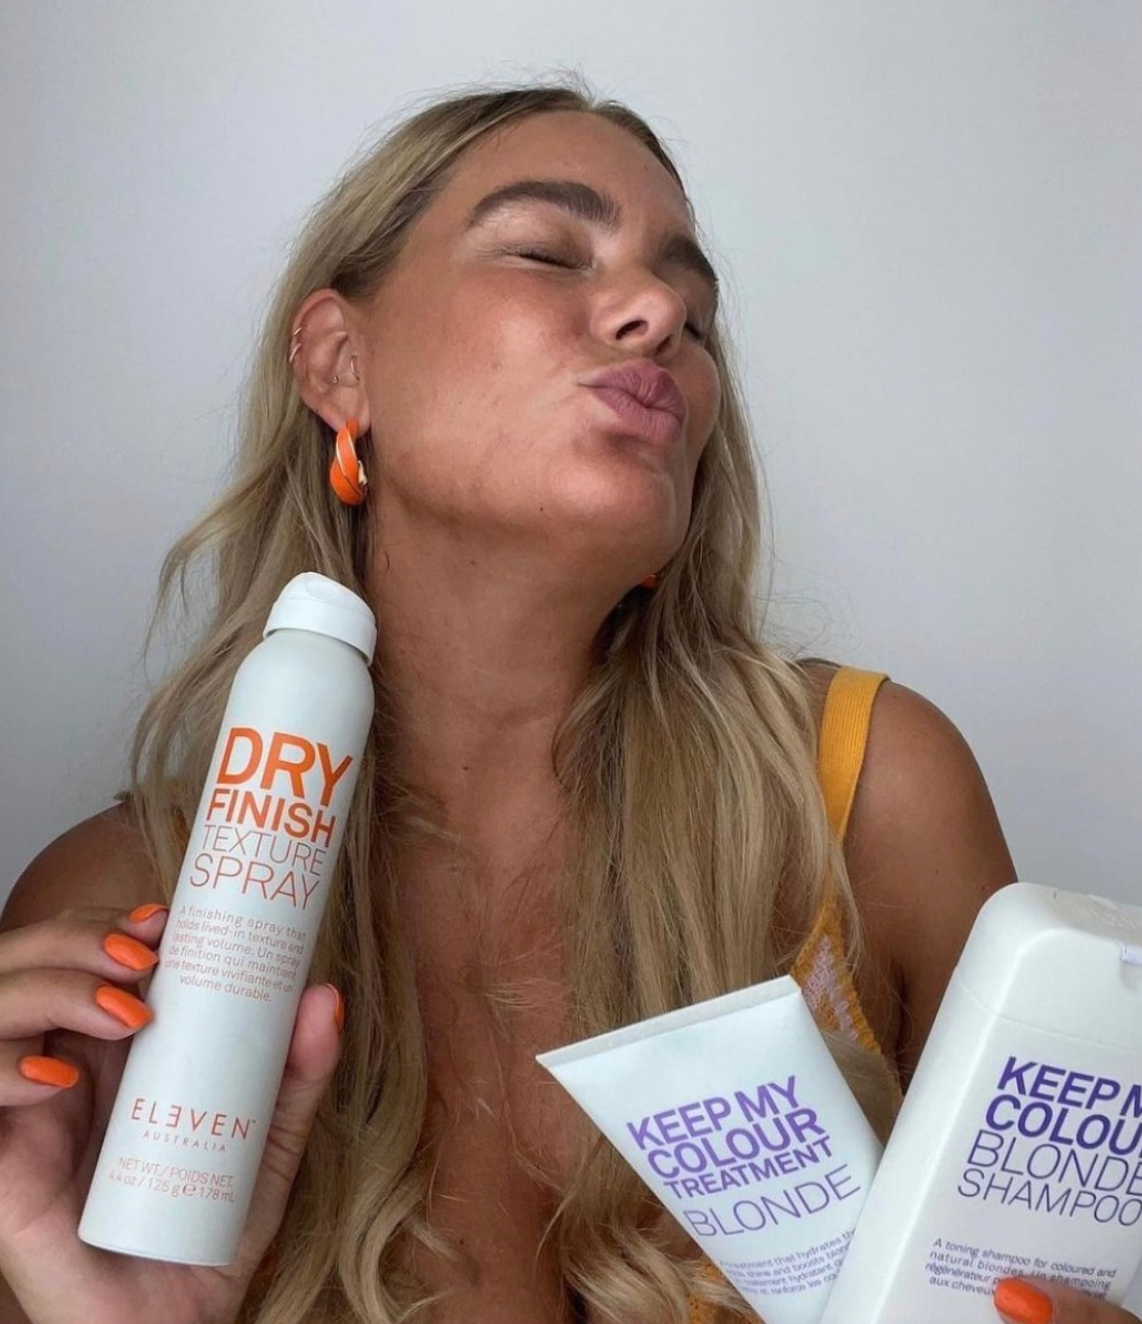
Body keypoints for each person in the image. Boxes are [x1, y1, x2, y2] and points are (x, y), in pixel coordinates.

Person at [0, 75, 1132, 1324]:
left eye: (696, 316)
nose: (660, 315)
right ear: (338, 363)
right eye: (545, 251)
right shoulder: (126, 905)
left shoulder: (863, 796)